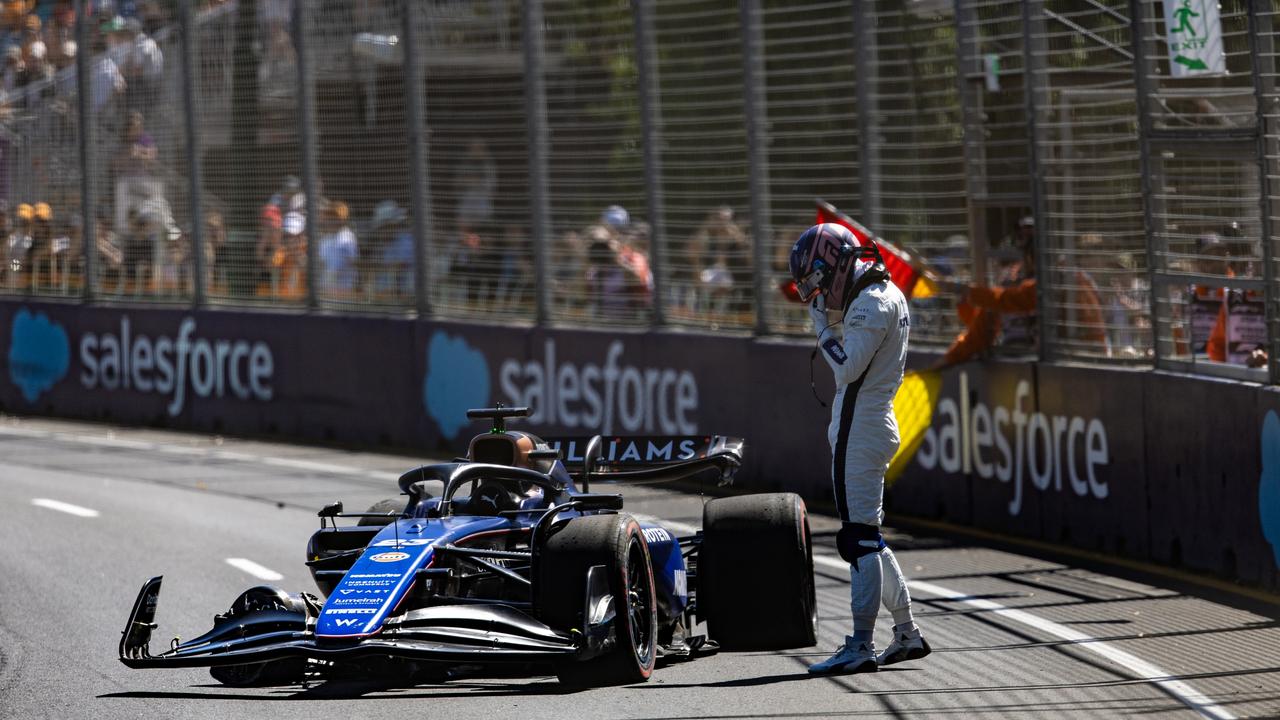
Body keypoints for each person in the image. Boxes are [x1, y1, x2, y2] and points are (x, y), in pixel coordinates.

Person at [788, 222, 929, 675]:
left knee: (857, 539)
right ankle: (906, 631)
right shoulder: (883, 294)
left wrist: (821, 331)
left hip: (862, 427)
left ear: (834, 265)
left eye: (816, 281)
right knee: (869, 536)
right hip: (869, 422)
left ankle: (860, 643)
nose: (818, 295)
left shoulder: (871, 302)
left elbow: (847, 367)